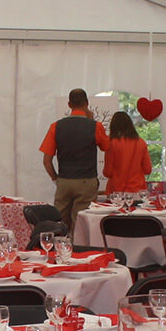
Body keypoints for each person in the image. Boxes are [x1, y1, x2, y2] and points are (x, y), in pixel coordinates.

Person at [39, 88, 109, 231]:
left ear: (69, 104)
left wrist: (56, 178)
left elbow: (46, 161)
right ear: (87, 103)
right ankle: (77, 249)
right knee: (81, 224)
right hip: (86, 181)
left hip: (64, 180)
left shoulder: (56, 126)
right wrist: (92, 121)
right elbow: (106, 146)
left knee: (59, 223)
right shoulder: (95, 126)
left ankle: (59, 249)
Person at [103, 111, 152, 195]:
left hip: (116, 191)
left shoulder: (111, 144)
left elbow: (108, 172)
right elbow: (147, 170)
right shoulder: (141, 143)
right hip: (137, 191)